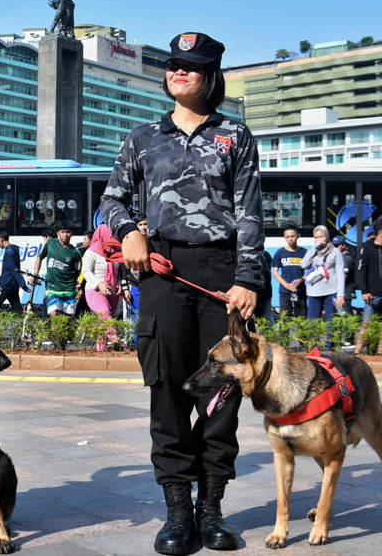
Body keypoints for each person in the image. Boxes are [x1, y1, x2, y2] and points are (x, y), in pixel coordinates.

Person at [100, 32, 262, 554]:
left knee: (222, 395)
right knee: (167, 390)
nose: (179, 72)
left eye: (190, 66)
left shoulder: (236, 136)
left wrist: (248, 279)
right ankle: (176, 514)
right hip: (162, 272)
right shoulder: (142, 137)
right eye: (173, 64)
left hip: (221, 276)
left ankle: (211, 511)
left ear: (211, 75)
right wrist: (130, 233)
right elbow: (113, 197)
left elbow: (250, 212)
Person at [32, 221, 82, 319]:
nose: (65, 234)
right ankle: (55, 335)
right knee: (55, 316)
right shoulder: (50, 243)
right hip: (53, 290)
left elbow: (77, 272)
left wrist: (76, 286)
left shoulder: (75, 253)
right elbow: (39, 257)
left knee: (67, 321)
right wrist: (35, 274)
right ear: (57, 233)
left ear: (72, 234)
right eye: (63, 232)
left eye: (68, 232)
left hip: (69, 291)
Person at [355, 220, 382, 354]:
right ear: (381, 232)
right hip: (372, 293)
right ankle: (358, 350)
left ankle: (380, 351)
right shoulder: (367, 246)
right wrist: (364, 290)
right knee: (367, 323)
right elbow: (361, 269)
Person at [301, 225, 345, 322]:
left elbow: (340, 274)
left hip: (331, 290)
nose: (319, 239)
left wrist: (340, 295)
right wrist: (315, 248)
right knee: (313, 323)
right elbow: (304, 265)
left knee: (331, 323)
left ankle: (330, 338)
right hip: (314, 291)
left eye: (321, 236)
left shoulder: (335, 251)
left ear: (327, 236)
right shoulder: (312, 251)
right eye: (316, 237)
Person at [82, 224, 121, 318]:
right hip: (95, 290)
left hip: (112, 292)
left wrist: (120, 284)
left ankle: (86, 331)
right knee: (105, 314)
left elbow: (120, 271)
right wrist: (99, 284)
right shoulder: (92, 251)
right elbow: (86, 271)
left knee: (105, 321)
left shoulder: (117, 250)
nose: (111, 237)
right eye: (109, 234)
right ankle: (112, 334)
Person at [272, 223, 306, 318]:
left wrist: (301, 280)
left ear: (298, 236)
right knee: (285, 319)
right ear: (284, 237)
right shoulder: (280, 253)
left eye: (292, 236)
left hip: (300, 289)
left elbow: (310, 270)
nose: (290, 239)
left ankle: (301, 334)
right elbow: (275, 271)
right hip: (285, 290)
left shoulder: (304, 252)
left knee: (301, 318)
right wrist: (286, 285)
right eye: (287, 237)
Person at [0, 232, 28, 312]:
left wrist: (23, 285)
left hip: (5, 284)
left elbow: (14, 270)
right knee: (17, 310)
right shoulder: (13, 250)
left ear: (1, 239)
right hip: (13, 285)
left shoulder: (9, 252)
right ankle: (21, 324)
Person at [333, 235, 356, 314]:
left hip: (345, 292)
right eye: (334, 245)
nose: (335, 247)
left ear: (344, 245)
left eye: (337, 245)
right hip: (341, 291)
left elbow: (343, 277)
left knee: (346, 315)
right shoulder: (339, 256)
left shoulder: (345, 258)